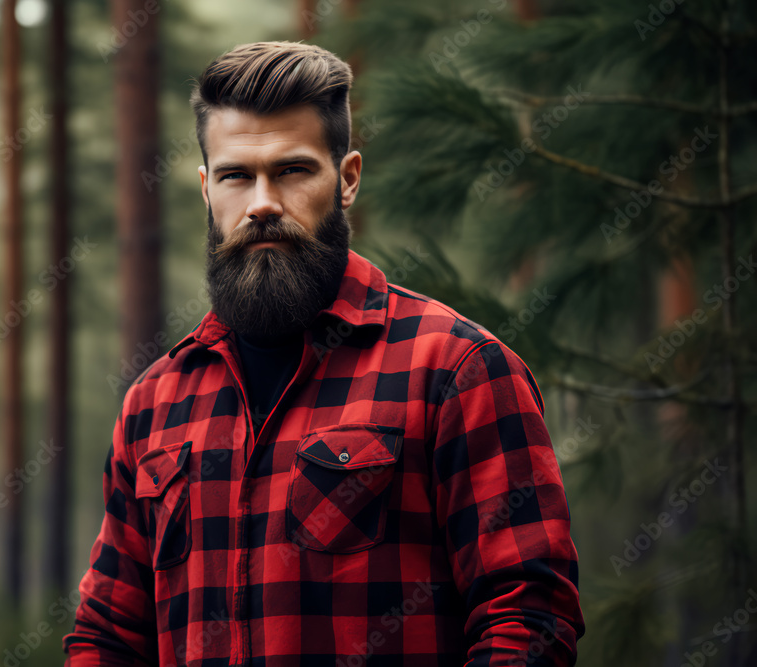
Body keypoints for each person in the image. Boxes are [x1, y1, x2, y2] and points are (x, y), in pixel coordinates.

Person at [64, 41, 584, 666]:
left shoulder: (456, 372)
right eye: (236, 175)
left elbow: (529, 616)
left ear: (347, 179)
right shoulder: (155, 402)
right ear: (206, 189)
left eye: (292, 171)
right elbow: (107, 636)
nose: (261, 203)